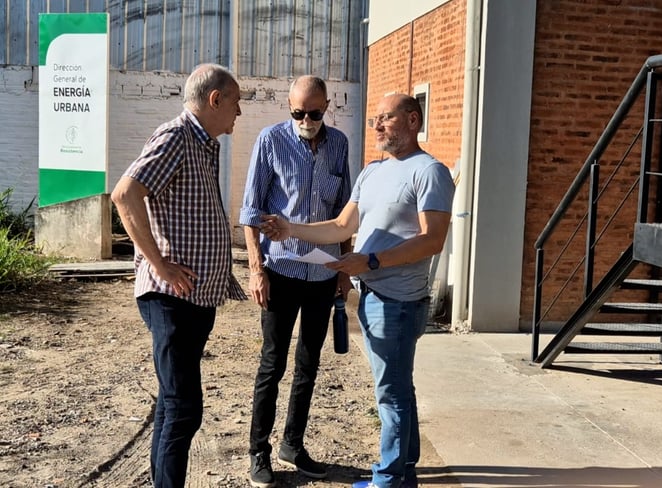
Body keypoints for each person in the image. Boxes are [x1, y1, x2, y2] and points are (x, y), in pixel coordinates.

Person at [259, 93, 455, 488]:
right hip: (373, 297)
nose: (377, 126)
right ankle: (404, 472)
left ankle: (388, 480)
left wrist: (372, 261)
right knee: (399, 388)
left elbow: (432, 240)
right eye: (374, 119)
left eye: (386, 118)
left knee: (391, 395)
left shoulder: (429, 171)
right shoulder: (372, 172)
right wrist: (291, 229)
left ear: (413, 120)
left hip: (399, 301)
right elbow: (341, 226)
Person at [111, 63, 247, 488]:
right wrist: (159, 264)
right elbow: (125, 194)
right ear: (215, 99)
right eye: (236, 102)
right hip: (171, 298)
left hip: (194, 298)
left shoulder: (204, 144)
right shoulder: (176, 136)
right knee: (184, 407)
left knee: (174, 406)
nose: (239, 112)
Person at [239, 75, 352, 487]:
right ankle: (259, 451)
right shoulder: (271, 141)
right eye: (298, 113)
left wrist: (343, 270)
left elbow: (345, 214)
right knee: (273, 363)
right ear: (289, 107)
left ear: (327, 107)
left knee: (309, 364)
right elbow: (251, 211)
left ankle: (292, 444)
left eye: (314, 113)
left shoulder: (339, 145)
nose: (306, 120)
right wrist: (256, 269)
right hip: (281, 271)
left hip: (322, 273)